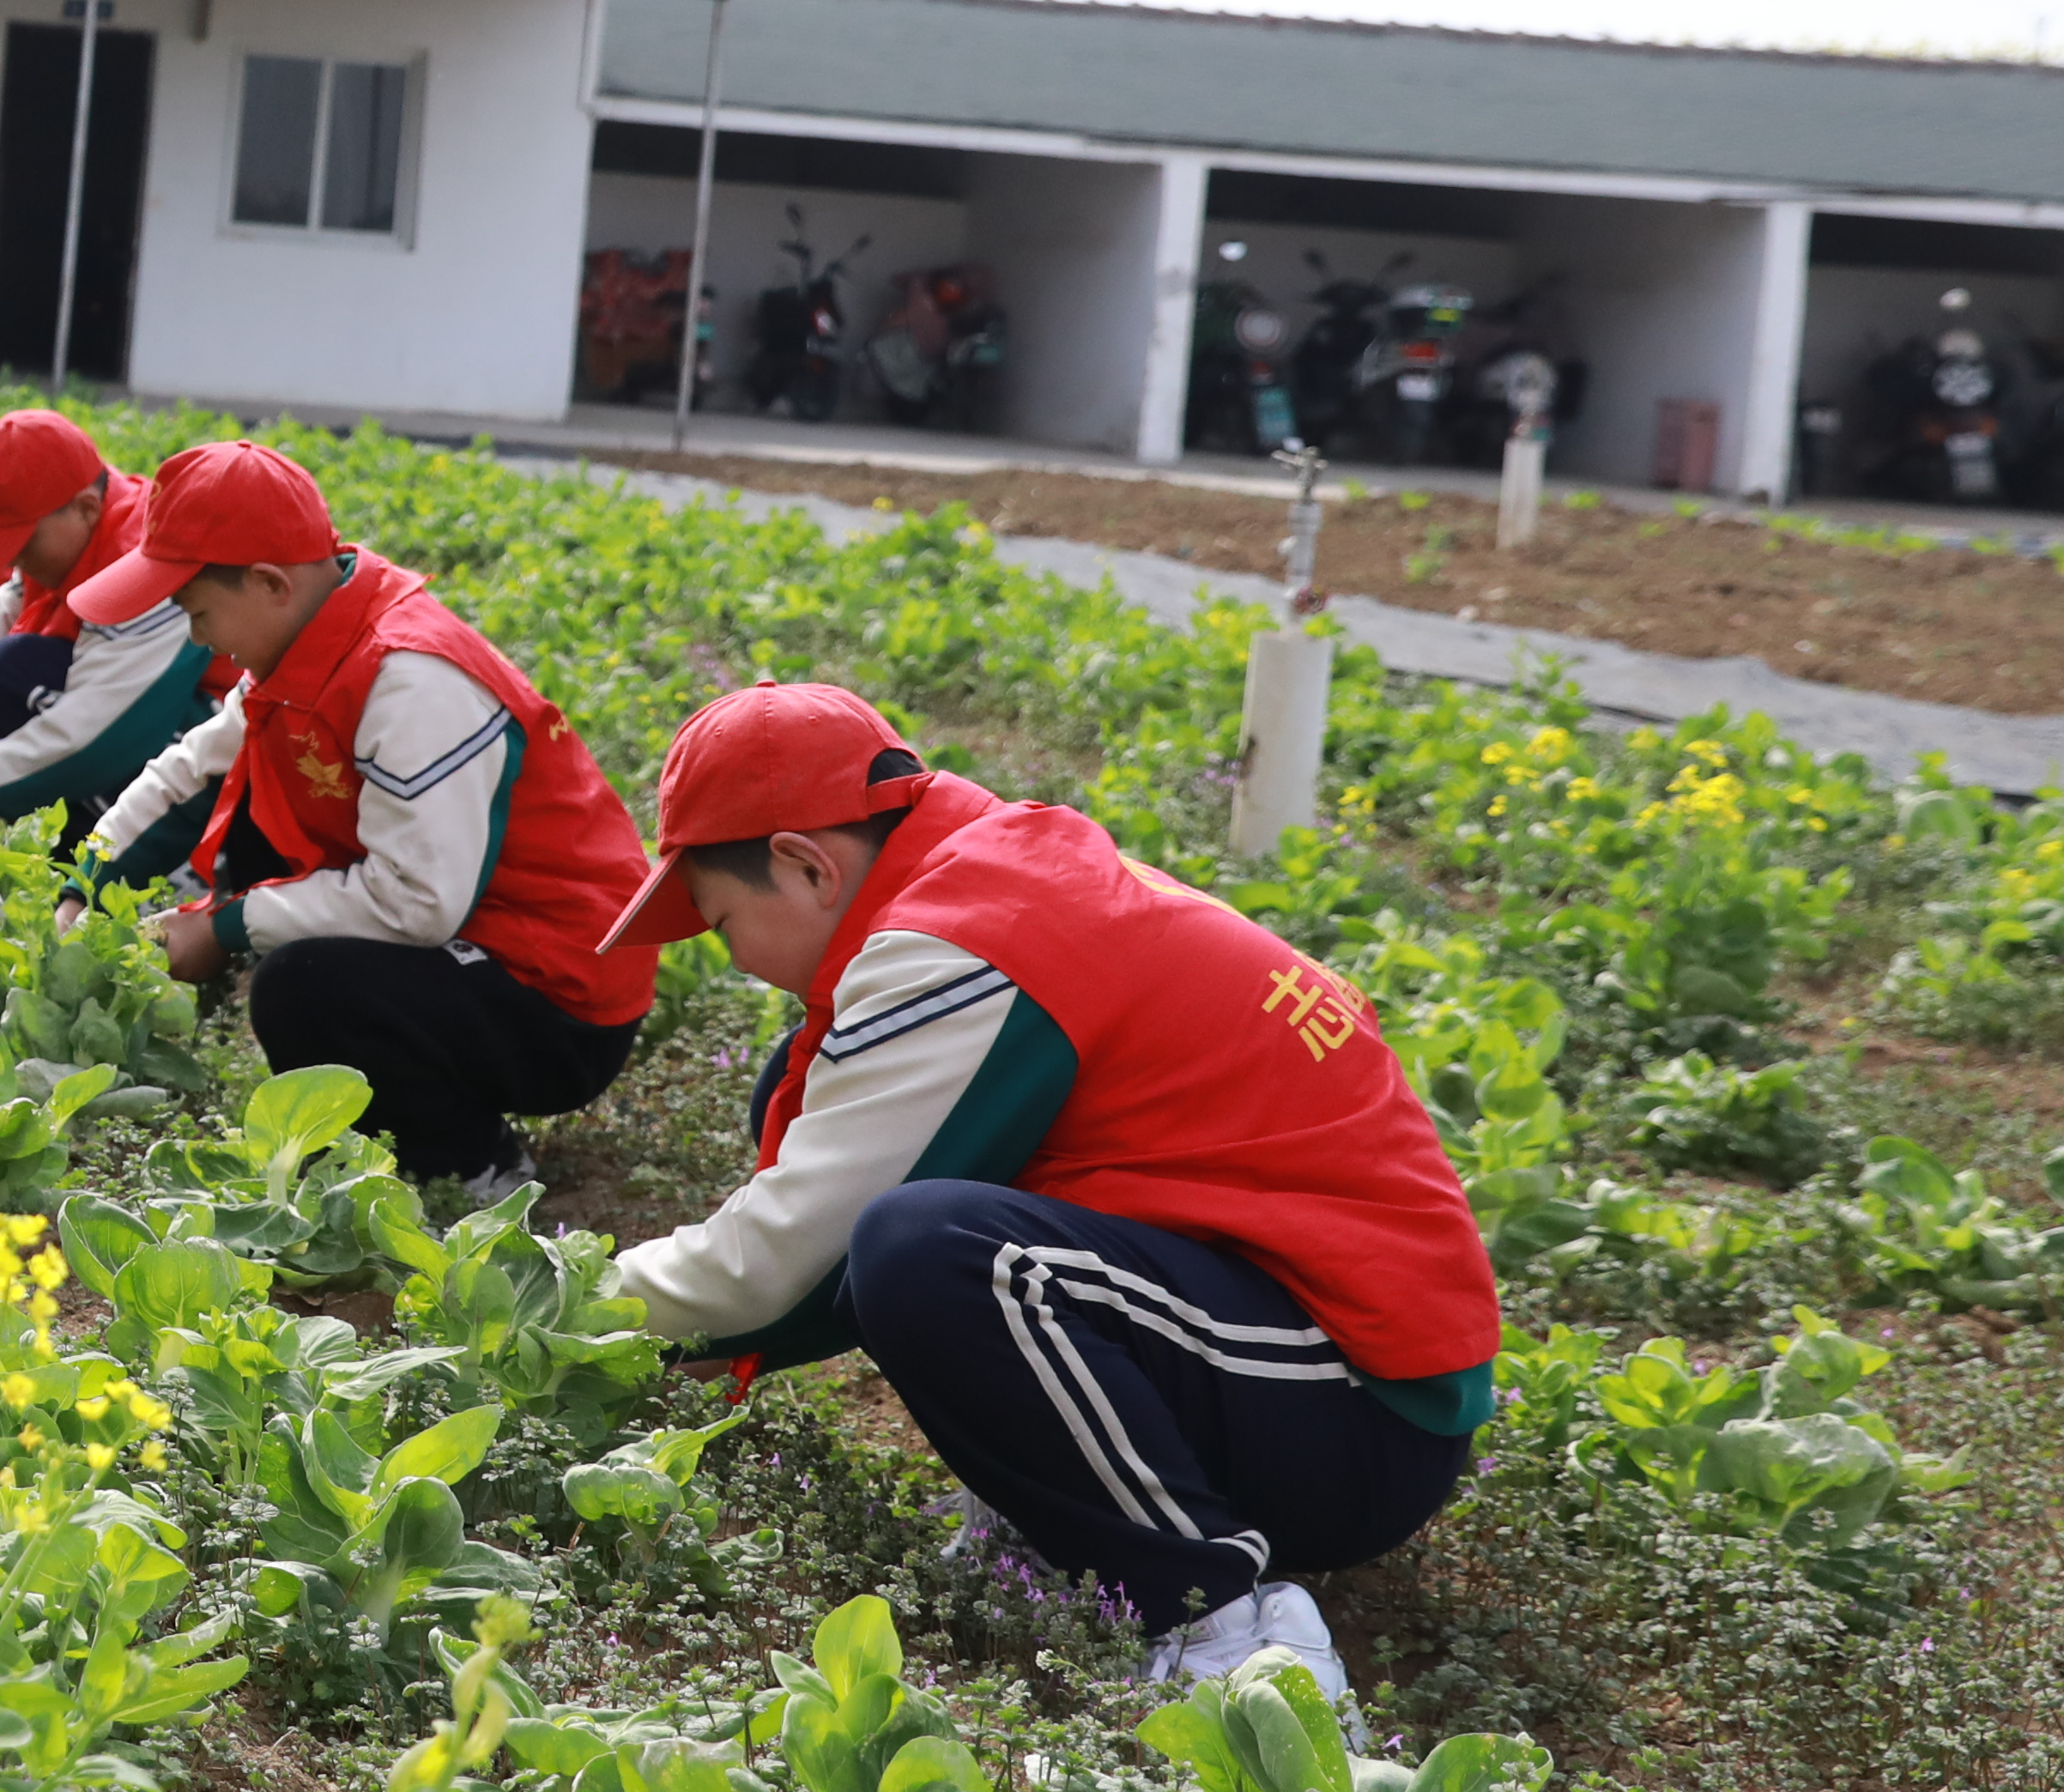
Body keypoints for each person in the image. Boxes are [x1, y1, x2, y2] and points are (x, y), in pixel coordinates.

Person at [596, 681, 1496, 1714]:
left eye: (720, 924)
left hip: (1363, 1416)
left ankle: (1216, 1618)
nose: (733, 960)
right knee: (851, 1131)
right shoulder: (989, 876)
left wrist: (571, 1312)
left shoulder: (968, 941)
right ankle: (1067, 1520)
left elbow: (788, 1255)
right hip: (1284, 1346)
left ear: (807, 864)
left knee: (929, 1250)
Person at [69, 438, 658, 1197]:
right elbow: (188, 770)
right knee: (259, 814)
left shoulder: (412, 681)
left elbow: (417, 904)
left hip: (560, 994)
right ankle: (389, 1108)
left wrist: (221, 929)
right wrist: (83, 880)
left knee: (303, 984)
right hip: (471, 926)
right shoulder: (308, 641)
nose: (197, 638)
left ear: (269, 584)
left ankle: (472, 1167)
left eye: (200, 612)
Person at [0, 409, 221, 866]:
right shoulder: (69, 541)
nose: (14, 563)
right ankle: (56, 832)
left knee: (13, 671)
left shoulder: (143, 563)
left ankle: (145, 863)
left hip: (206, 735)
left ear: (87, 508)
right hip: (131, 711)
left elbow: (101, 732)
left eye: (21, 543)